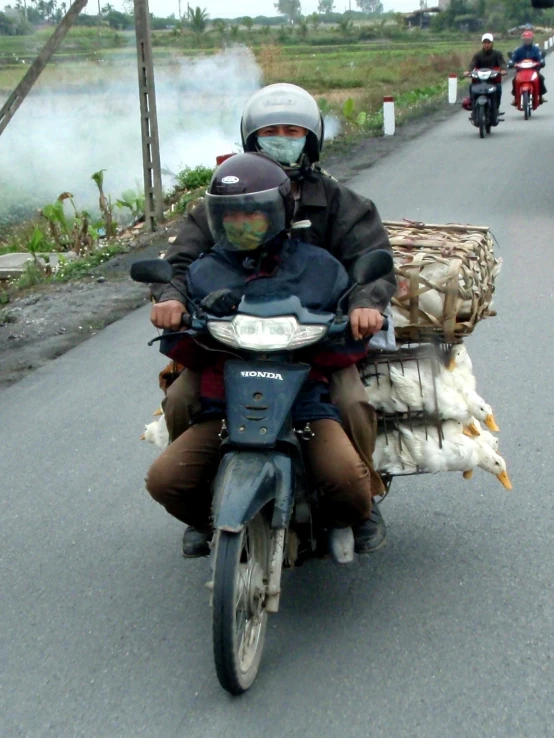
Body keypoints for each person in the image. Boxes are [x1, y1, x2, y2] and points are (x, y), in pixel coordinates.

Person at [150, 83, 397, 551]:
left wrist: (364, 305)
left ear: (312, 140)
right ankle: (205, 507)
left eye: (292, 131)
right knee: (182, 398)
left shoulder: (342, 203)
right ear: (250, 139)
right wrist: (172, 299)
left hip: (317, 338)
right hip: (232, 338)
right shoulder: (219, 202)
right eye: (270, 132)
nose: (282, 139)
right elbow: (181, 266)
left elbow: (372, 260)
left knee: (351, 403)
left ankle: (366, 496)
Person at [464, 33, 508, 115]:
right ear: (482, 44)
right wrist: (468, 71)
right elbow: (472, 64)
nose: (486, 45)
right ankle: (474, 108)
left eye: (488, 42)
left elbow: (502, 63)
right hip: (480, 79)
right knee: (471, 87)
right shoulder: (478, 55)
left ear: (492, 43)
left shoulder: (497, 54)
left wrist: (503, 70)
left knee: (498, 88)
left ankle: (496, 108)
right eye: (485, 43)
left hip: (493, 79)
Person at [508, 30, 547, 104]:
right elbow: (513, 58)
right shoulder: (518, 50)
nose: (527, 41)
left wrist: (541, 62)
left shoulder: (536, 49)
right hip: (521, 71)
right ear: (522, 40)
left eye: (528, 39)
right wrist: (510, 63)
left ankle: (540, 96)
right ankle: (516, 98)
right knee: (514, 80)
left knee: (541, 78)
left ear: (532, 39)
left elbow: (540, 57)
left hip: (533, 71)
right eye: (525, 39)